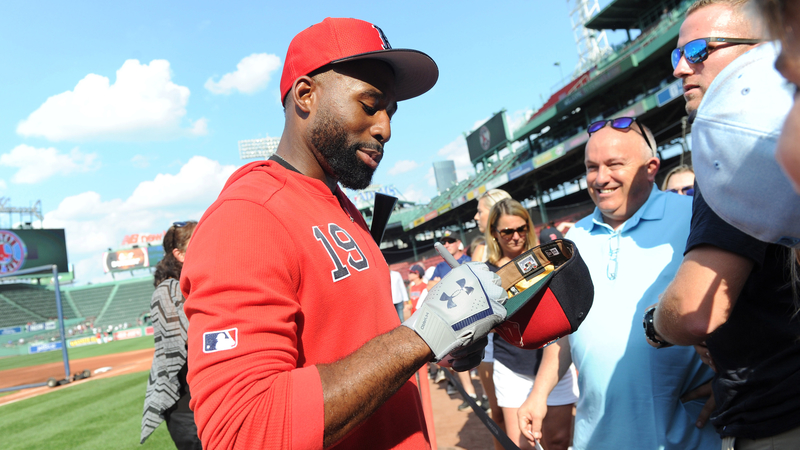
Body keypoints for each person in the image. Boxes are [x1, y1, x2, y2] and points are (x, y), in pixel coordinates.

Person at [180, 18, 507, 450]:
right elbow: (243, 429)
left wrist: (438, 343)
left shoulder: (338, 203)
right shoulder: (248, 216)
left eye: (390, 110)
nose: (385, 128)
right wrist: (420, 335)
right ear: (305, 95)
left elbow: (356, 344)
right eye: (369, 104)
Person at [518, 116, 720, 450]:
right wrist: (539, 394)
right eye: (591, 167)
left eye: (614, 164)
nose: (600, 178)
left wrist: (732, 380)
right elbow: (567, 330)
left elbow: (746, 304)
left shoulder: (693, 216)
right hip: (596, 437)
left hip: (685, 437)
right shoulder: (575, 237)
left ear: (651, 167)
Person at [652, 1, 800, 447]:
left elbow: (697, 310)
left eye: (698, 50)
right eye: (676, 55)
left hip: (778, 419)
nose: (680, 68)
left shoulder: (740, 151)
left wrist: (654, 326)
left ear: (760, 51)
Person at [486, 198, 578, 450]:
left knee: (558, 441)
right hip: (512, 366)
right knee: (522, 447)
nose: (515, 236)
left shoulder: (549, 262)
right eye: (507, 231)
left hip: (555, 363)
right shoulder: (485, 273)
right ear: (494, 233)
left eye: (521, 228)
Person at [141, 220, 202, 450]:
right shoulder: (166, 291)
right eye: (197, 241)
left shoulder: (194, 284)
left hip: (202, 398)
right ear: (179, 254)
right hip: (185, 407)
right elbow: (182, 342)